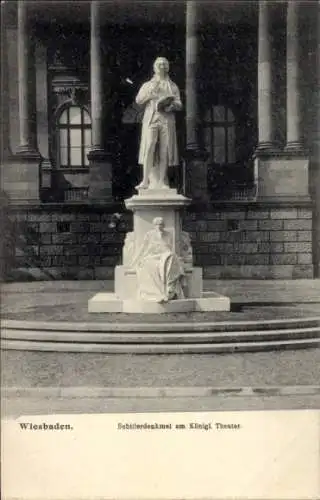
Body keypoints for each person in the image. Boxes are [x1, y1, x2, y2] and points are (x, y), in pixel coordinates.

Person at [135, 57, 182, 190]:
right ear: (155, 67)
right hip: (152, 119)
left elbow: (179, 103)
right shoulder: (147, 85)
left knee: (165, 150)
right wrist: (150, 94)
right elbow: (139, 100)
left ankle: (162, 181)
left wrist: (171, 106)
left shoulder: (172, 86)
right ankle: (145, 181)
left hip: (166, 120)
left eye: (164, 64)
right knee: (149, 147)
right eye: (159, 64)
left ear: (167, 67)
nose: (162, 66)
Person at [131, 217, 185, 303]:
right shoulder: (149, 234)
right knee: (148, 264)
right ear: (154, 226)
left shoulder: (168, 235)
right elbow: (143, 248)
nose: (159, 226)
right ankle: (158, 292)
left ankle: (169, 287)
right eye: (157, 224)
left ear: (163, 225)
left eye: (161, 224)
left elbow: (170, 248)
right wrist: (136, 260)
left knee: (171, 257)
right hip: (153, 255)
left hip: (164, 254)